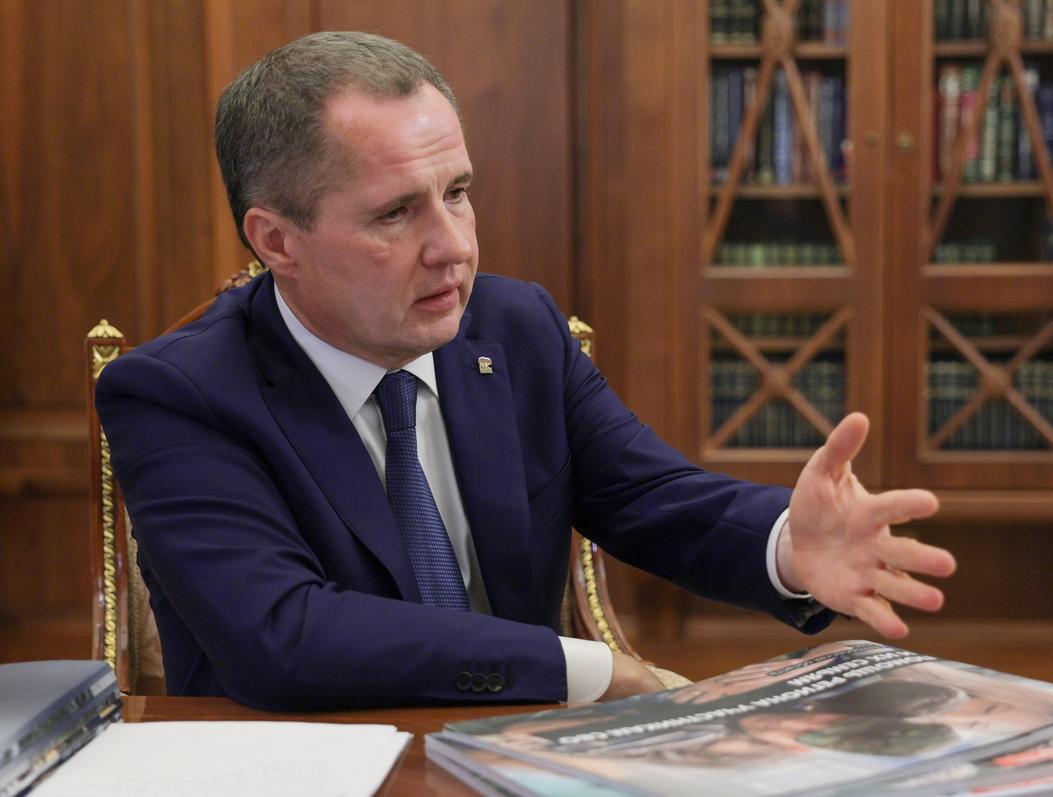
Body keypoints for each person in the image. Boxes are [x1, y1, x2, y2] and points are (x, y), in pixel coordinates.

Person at [95, 31, 956, 711]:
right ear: (276, 240)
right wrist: (589, 669)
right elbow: (284, 637)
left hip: (514, 758)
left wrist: (785, 547)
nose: (455, 246)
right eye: (398, 212)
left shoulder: (515, 329)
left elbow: (650, 497)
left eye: (459, 191)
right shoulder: (179, 394)